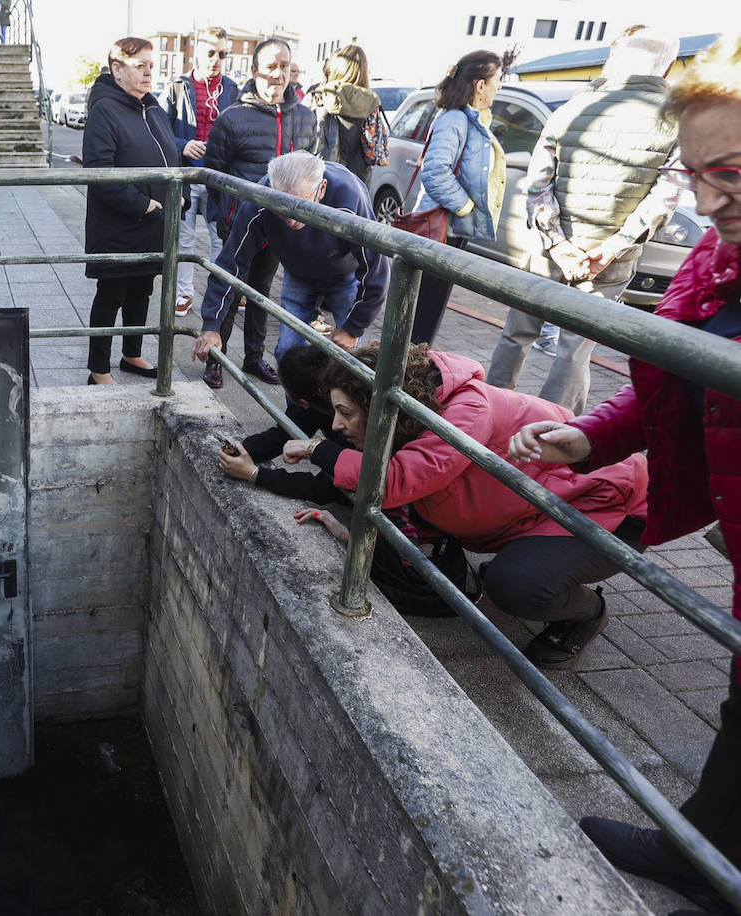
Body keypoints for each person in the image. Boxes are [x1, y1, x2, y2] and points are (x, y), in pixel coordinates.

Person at [508, 33, 741, 910]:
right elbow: (683, 385)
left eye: (734, 172)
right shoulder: (719, 260)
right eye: (695, 174)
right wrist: (590, 438)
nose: (710, 199)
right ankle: (702, 849)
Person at [276, 343, 648, 667]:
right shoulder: (413, 415)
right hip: (534, 507)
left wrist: (315, 449)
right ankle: (529, 559)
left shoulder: (464, 413)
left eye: (346, 413)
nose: (337, 425)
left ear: (380, 405)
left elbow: (396, 481)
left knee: (515, 583)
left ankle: (586, 613)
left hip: (609, 509)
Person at [487, 27, 681, 414]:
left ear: (615, 60)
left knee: (517, 333)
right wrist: (612, 248)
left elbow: (538, 182)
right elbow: (666, 196)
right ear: (670, 67)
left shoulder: (574, 107)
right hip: (610, 259)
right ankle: (549, 437)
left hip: (550, 250)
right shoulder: (674, 120)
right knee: (575, 349)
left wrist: (558, 243)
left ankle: (487, 412)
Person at [216, 344, 477, 618]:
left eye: (346, 413)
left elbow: (333, 485)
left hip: (420, 538)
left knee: (386, 516)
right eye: (337, 412)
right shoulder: (333, 398)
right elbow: (284, 433)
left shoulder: (369, 426)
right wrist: (239, 449)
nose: (338, 424)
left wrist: (257, 474)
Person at [191, 151, 390, 372]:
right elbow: (231, 262)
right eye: (282, 208)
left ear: (321, 189)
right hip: (298, 273)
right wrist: (212, 324)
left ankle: (342, 404)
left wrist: (354, 328)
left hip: (343, 273)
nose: (291, 220)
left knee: (350, 357)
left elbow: (376, 269)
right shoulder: (261, 197)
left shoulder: (349, 197)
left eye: (301, 206)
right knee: (286, 351)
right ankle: (295, 405)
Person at [199, 38, 317, 388]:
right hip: (241, 225)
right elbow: (214, 174)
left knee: (261, 295)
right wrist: (226, 217)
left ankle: (254, 358)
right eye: (270, 67)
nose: (278, 74)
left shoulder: (307, 118)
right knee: (229, 290)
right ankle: (215, 359)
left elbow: (314, 171)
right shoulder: (232, 118)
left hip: (281, 229)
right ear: (254, 72)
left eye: (284, 66)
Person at [81, 37, 178, 385]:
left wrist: (177, 194)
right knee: (112, 294)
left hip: (153, 223)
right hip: (120, 226)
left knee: (142, 289)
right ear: (117, 68)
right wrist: (143, 203)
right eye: (141, 65)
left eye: (151, 65)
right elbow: (99, 172)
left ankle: (131, 354)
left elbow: (169, 158)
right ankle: (99, 369)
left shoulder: (152, 107)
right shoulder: (105, 109)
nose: (149, 72)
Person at [410, 50, 514, 345]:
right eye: (498, 80)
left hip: (451, 229)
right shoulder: (454, 120)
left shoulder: (470, 120)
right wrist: (466, 206)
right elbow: (435, 172)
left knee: (428, 311)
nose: (499, 87)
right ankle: (406, 374)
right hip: (440, 229)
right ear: (480, 85)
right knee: (423, 314)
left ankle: (411, 369)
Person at [161, 27, 239, 317]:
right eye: (210, 52)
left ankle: (218, 293)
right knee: (183, 238)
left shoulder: (232, 89)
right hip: (185, 177)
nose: (216, 59)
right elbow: (160, 130)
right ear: (196, 52)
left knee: (220, 238)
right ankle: (183, 293)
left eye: (222, 54)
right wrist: (183, 145)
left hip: (218, 177)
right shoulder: (177, 87)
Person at [310, 44, 389, 184]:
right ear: (363, 70)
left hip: (318, 172)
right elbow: (373, 153)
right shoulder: (370, 101)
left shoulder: (319, 94)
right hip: (356, 178)